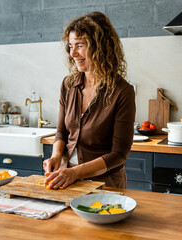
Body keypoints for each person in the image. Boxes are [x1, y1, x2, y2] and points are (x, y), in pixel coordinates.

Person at [43, 11, 136, 189]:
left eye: (79, 45)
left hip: (105, 183)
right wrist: (56, 157)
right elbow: (62, 132)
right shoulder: (68, 85)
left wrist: (76, 173)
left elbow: (119, 154)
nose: (73, 53)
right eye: (70, 46)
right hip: (66, 178)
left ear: (100, 47)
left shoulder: (122, 91)